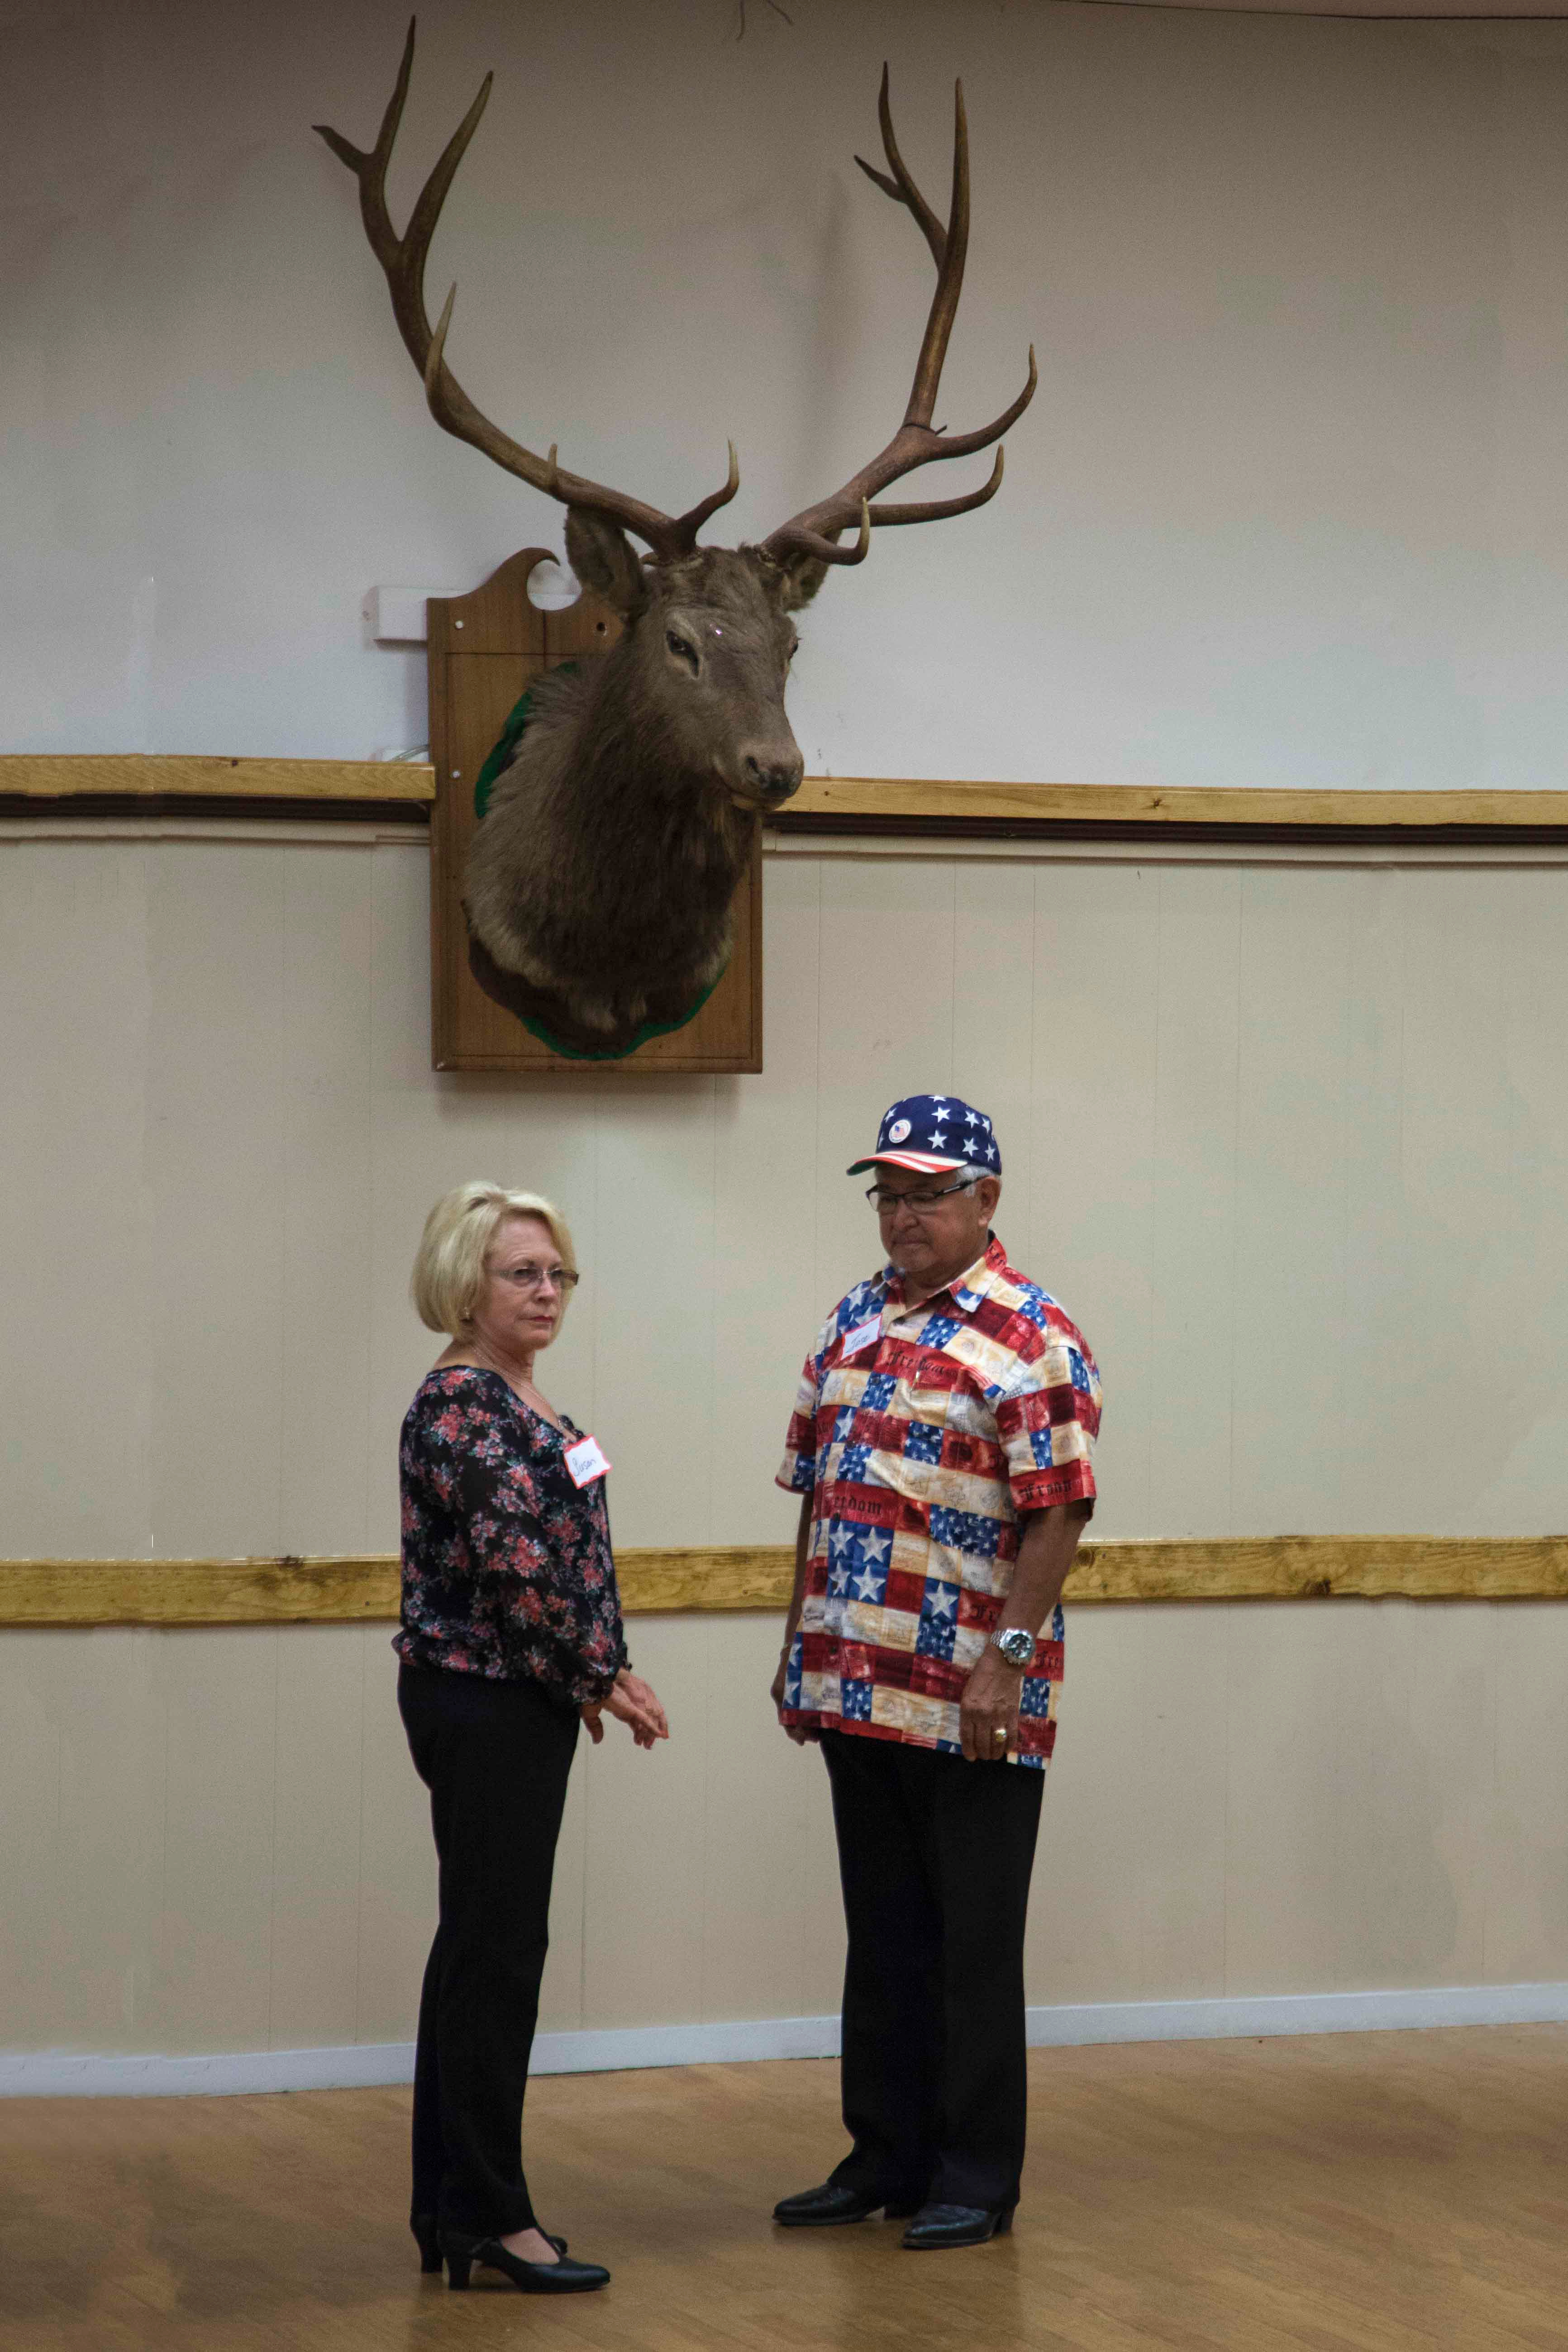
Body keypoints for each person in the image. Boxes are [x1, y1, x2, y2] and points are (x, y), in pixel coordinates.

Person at [769, 1096, 1101, 2251]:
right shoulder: (850, 1318)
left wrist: (1004, 1666)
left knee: (971, 1943)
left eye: (926, 1194)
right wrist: (796, 1648)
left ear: (985, 1198)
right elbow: (816, 1494)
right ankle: (883, 2155)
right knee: (883, 1936)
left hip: (972, 1697)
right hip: (853, 1680)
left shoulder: (1031, 1334)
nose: (902, 1216)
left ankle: (973, 2172)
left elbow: (1059, 1513)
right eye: (888, 1195)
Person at [396, 1180, 668, 2296]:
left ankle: (453, 2207)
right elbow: (517, 1572)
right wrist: (599, 1674)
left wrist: (593, 1667)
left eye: (559, 1273)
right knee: (494, 1956)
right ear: (465, 1283)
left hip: (523, 1696)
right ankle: (487, 2214)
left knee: (486, 1948)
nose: (547, 1290)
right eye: (522, 1272)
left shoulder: (522, 1394)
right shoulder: (461, 1404)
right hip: (485, 1699)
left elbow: (566, 1562)